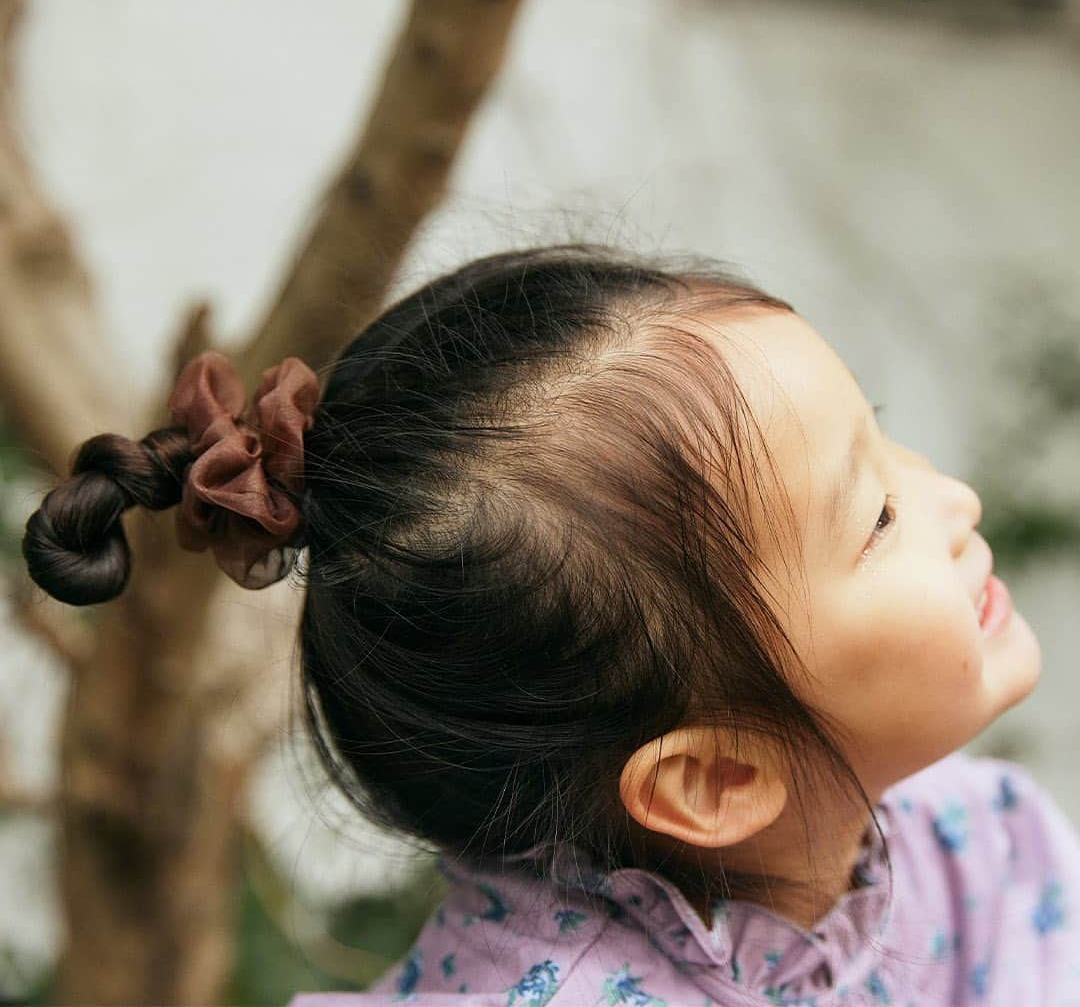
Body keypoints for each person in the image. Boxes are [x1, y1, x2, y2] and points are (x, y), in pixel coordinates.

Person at [21, 245, 1079, 1005]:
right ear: (713, 780)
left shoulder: (977, 846)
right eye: (878, 517)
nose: (955, 498)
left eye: (883, 440)